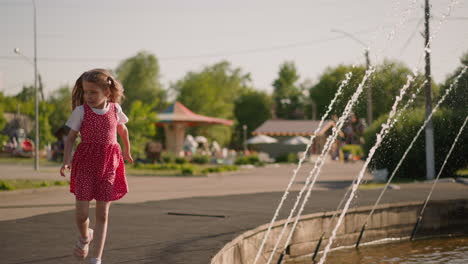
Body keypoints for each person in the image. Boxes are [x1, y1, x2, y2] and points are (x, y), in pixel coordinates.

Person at [60, 69, 133, 264]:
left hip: (109, 164)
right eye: (85, 92)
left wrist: (127, 150)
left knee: (103, 213)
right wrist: (66, 160)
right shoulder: (81, 111)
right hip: (85, 164)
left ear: (107, 93)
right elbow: (70, 138)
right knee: (82, 213)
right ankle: (85, 236)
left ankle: (96, 258)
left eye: (93, 92)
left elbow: (123, 130)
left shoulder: (115, 109)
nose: (88, 96)